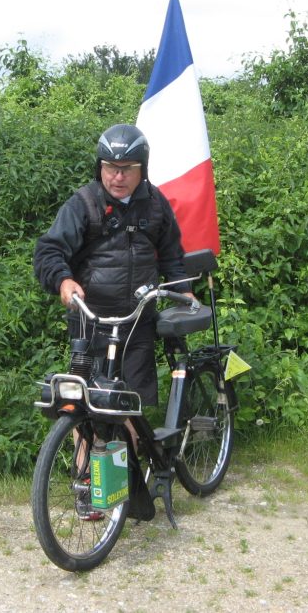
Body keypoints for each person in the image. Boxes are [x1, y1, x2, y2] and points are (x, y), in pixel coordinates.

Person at [33, 124, 192, 521]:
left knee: (128, 409)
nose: (117, 176)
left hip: (137, 321)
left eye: (127, 168)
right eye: (110, 167)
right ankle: (88, 487)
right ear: (99, 166)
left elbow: (172, 256)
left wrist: (180, 289)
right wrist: (63, 279)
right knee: (82, 404)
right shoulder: (82, 204)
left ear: (143, 169)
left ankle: (122, 485)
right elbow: (50, 250)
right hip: (91, 321)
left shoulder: (156, 206)